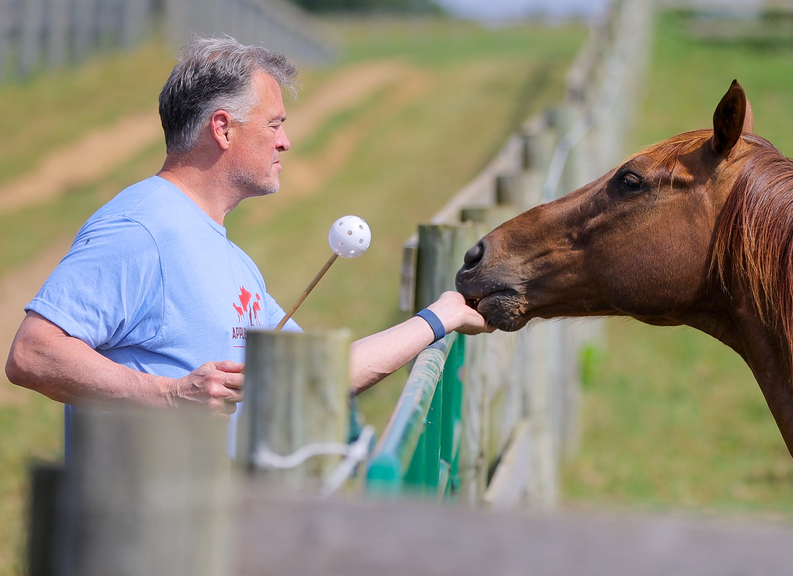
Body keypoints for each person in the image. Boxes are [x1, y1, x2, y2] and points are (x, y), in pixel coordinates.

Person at [5, 37, 489, 439]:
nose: (285, 142)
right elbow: (33, 352)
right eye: (274, 124)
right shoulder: (143, 228)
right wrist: (169, 396)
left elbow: (317, 373)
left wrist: (440, 316)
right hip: (142, 544)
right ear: (223, 128)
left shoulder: (230, 259)